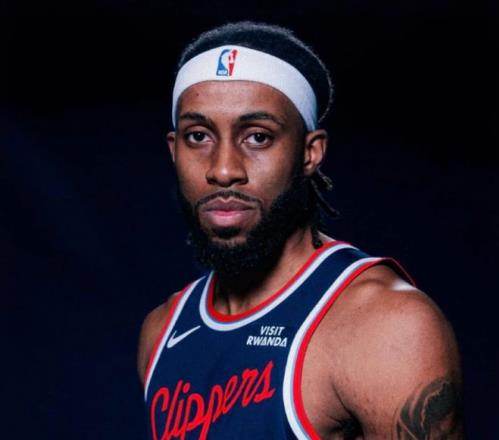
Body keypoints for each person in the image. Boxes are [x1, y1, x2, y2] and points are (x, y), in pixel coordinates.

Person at [137, 21, 463, 439]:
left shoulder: (386, 326)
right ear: (173, 150)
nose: (223, 169)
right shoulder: (161, 331)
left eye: (257, 137)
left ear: (310, 153)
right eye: (198, 136)